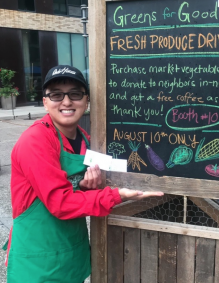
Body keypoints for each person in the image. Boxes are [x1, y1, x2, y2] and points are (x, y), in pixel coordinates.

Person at [4, 65, 164, 283]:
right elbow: (59, 203)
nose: (67, 102)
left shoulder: (86, 139)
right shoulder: (35, 141)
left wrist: (85, 188)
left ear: (86, 101)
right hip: (38, 259)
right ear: (45, 102)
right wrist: (118, 195)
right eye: (56, 95)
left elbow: (77, 190)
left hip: (71, 253)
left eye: (75, 94)